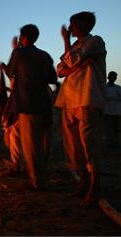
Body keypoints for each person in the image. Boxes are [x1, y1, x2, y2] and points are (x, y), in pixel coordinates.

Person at [54, 12, 106, 206]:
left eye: (73, 24)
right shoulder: (77, 47)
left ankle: (95, 185)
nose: (70, 28)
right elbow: (61, 69)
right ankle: (84, 181)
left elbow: (70, 62)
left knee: (89, 143)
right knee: (73, 144)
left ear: (84, 25)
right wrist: (75, 66)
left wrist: (67, 46)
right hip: (68, 100)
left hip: (87, 97)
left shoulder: (95, 42)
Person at [0, 24, 57, 190]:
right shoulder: (45, 55)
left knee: (31, 146)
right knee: (42, 144)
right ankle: (41, 176)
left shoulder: (19, 53)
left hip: (27, 104)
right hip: (44, 103)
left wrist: (4, 66)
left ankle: (36, 182)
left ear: (23, 37)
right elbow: (53, 78)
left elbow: (10, 73)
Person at [104, 71, 121, 148]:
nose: (113, 78)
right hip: (107, 111)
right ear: (109, 77)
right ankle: (109, 142)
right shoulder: (104, 87)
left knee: (115, 127)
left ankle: (115, 142)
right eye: (112, 77)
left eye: (114, 77)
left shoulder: (118, 88)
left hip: (116, 111)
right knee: (108, 128)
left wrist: (112, 98)